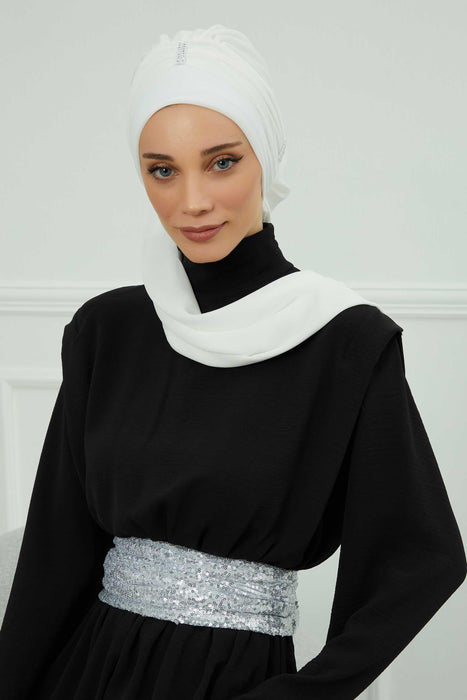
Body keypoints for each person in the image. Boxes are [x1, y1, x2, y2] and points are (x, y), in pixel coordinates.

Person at [0, 23, 465, 700]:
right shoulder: (107, 331)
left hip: (236, 682)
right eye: (162, 170)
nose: (191, 201)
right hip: (89, 673)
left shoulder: (344, 341)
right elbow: (55, 553)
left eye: (221, 162)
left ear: (265, 160)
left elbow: (422, 557)